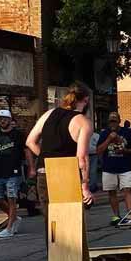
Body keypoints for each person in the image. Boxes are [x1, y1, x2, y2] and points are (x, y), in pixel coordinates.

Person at [25, 83, 95, 216]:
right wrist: (85, 187)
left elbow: (30, 142)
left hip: (44, 172)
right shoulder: (83, 122)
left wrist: (48, 157)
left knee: (52, 224)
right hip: (67, 174)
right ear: (86, 100)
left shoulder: (49, 114)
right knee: (70, 221)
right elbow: (82, 157)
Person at [95, 112, 131, 225]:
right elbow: (98, 150)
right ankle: (116, 216)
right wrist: (109, 139)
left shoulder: (127, 132)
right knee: (111, 192)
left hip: (125, 167)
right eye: (110, 121)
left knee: (127, 190)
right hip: (109, 168)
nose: (112, 123)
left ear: (119, 121)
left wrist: (126, 151)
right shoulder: (104, 134)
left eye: (114, 121)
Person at [0, 110, 33, 238]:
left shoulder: (18, 135)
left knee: (12, 199)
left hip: (14, 171)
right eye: (0, 119)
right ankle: (15, 217)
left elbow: (27, 151)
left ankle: (10, 227)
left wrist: (31, 168)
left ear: (11, 120)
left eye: (5, 118)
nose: (2, 121)